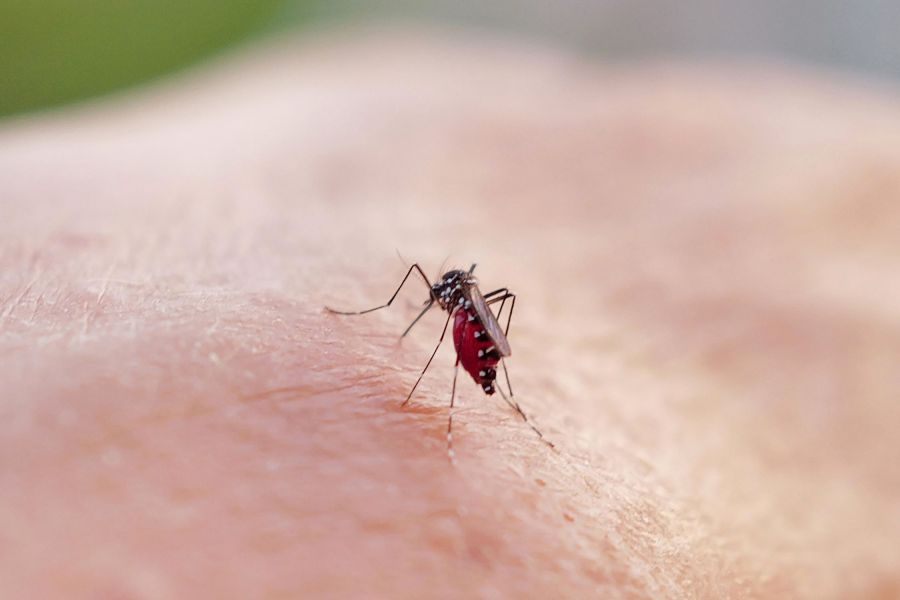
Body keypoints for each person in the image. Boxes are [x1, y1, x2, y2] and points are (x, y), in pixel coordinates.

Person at [2, 31, 899, 598]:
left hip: (479, 351)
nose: (448, 297)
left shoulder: (462, 309)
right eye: (451, 295)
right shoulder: (451, 281)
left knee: (459, 340)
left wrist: (449, 341)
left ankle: (496, 401)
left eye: (449, 294)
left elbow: (457, 313)